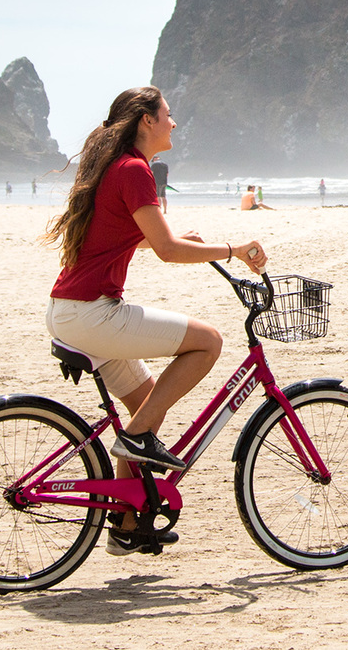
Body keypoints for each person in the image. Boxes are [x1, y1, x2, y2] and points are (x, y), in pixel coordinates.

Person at [43, 87, 267, 554]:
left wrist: (172, 236)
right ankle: (138, 440)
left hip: (71, 310)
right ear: (146, 120)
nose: (174, 122)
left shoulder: (118, 166)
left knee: (148, 402)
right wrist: (235, 249)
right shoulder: (134, 170)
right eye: (168, 114)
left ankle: (125, 527)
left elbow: (131, 238)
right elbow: (167, 252)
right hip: (92, 313)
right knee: (207, 342)